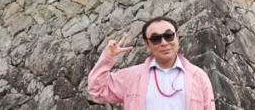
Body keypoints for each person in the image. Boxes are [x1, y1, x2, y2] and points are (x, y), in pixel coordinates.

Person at [87, 16, 216, 109]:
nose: (164, 43)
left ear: (177, 37)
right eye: (156, 39)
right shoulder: (131, 76)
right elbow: (97, 90)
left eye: (169, 35)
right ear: (148, 44)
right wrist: (107, 58)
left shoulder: (198, 76)